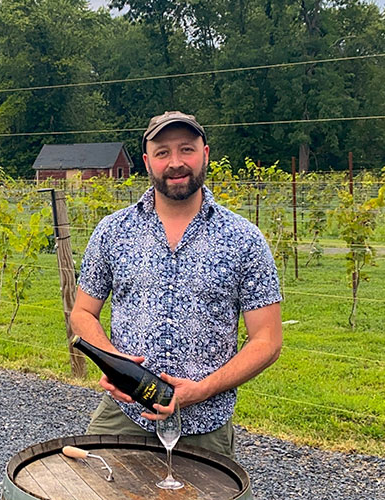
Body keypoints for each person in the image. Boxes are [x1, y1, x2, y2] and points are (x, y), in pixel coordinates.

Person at [70, 111, 283, 459]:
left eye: (186, 149)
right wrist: (111, 361)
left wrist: (201, 390)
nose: (176, 163)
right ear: (147, 161)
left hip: (205, 425)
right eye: (163, 152)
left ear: (205, 154)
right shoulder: (112, 232)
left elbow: (268, 340)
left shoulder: (244, 239)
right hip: (124, 417)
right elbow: (82, 313)